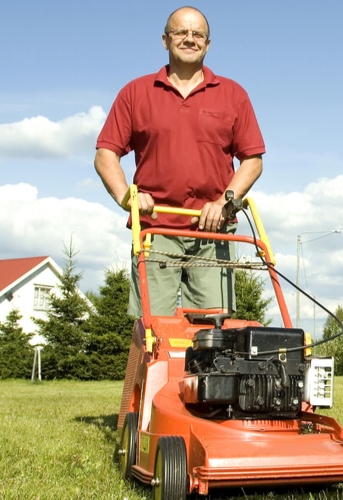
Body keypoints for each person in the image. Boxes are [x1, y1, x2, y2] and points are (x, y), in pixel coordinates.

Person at [94, 6, 265, 317]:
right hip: (155, 226)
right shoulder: (135, 93)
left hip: (212, 230)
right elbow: (106, 155)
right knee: (152, 329)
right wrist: (126, 197)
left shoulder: (233, 94)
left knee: (213, 330)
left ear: (208, 44)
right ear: (165, 40)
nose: (190, 39)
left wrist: (224, 202)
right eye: (181, 33)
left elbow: (252, 160)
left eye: (198, 34)